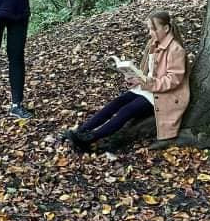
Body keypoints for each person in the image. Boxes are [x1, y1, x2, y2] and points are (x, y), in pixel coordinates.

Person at [65, 10, 190, 151]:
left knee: (127, 110)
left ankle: (90, 139)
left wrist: (145, 82)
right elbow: (147, 71)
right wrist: (135, 78)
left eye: (153, 29)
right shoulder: (153, 43)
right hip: (148, 88)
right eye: (149, 29)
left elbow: (173, 81)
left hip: (164, 95)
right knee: (116, 103)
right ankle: (81, 130)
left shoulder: (176, 50)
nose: (150, 32)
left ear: (166, 28)